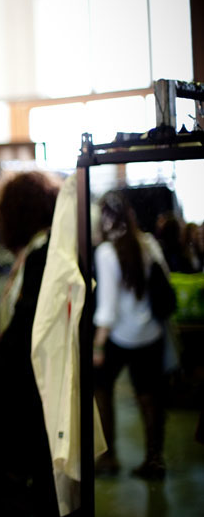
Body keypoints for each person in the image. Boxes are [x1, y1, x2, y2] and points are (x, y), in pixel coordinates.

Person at [0, 170, 66, 517]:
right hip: (40, 408)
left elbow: (21, 345)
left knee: (45, 510)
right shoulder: (41, 255)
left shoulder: (42, 259)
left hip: (36, 412)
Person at [93, 191, 168, 480]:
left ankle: (108, 456)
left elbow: (107, 309)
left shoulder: (106, 252)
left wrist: (98, 345)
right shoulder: (147, 242)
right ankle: (154, 458)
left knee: (101, 388)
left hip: (119, 337)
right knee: (150, 398)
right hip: (151, 334)